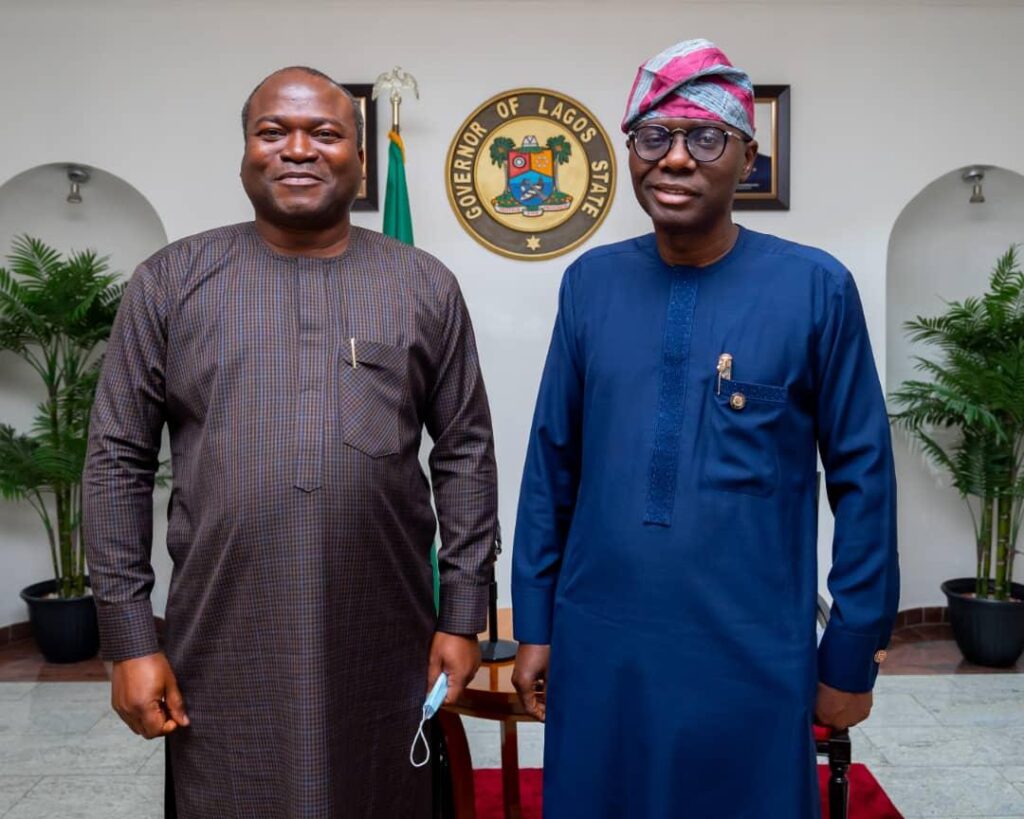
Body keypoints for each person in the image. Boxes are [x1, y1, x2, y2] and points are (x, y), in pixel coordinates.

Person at [84, 66, 498, 819]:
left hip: (384, 630)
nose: (299, 148)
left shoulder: (422, 284)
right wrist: (130, 641)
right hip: (220, 632)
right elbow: (116, 461)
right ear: (245, 154)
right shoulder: (170, 282)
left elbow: (465, 450)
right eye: (274, 132)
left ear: (361, 159)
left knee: (382, 794)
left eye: (326, 133)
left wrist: (463, 614)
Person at [511, 39, 898, 818]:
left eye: (704, 137)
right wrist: (535, 617)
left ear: (746, 156)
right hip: (602, 637)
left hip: (749, 641)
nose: (676, 160)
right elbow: (552, 460)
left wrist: (850, 651)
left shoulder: (815, 287)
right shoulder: (590, 282)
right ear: (631, 154)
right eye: (654, 137)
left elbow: (865, 480)